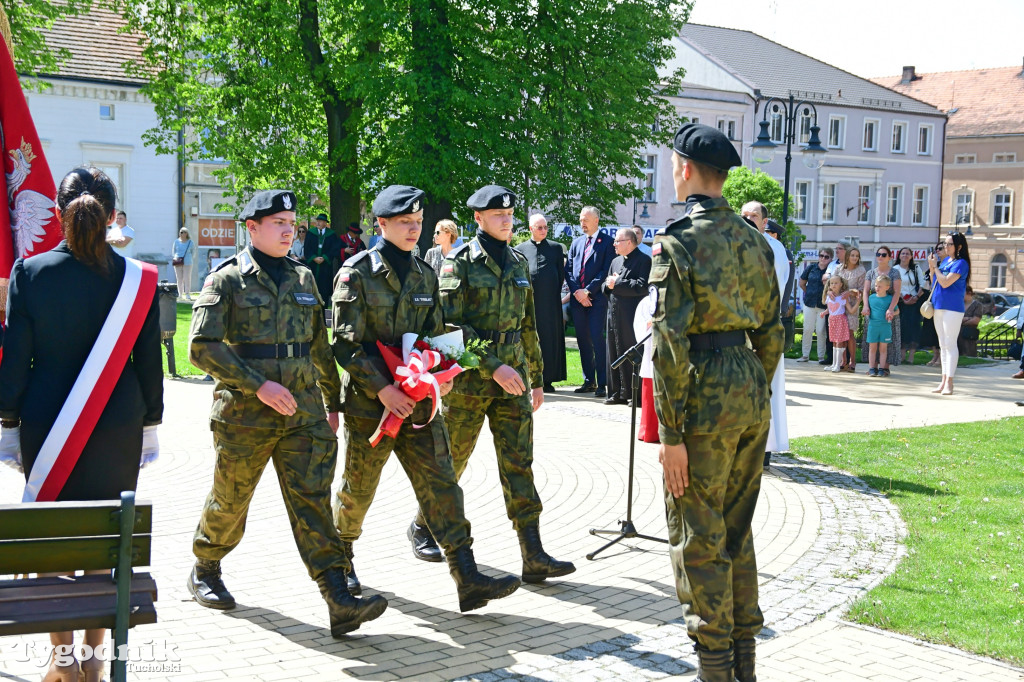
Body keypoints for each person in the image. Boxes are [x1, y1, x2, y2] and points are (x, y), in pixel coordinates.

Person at [187, 189, 387, 637]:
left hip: (303, 413)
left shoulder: (303, 279)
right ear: (252, 228)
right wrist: (258, 385)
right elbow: (201, 347)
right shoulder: (227, 279)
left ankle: (338, 597)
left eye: (291, 221)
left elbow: (319, 344)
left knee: (313, 503)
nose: (288, 229)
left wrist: (331, 401)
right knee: (231, 500)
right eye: (277, 221)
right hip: (244, 414)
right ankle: (206, 565)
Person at [0, 167, 163, 682]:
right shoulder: (139, 278)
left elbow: (15, 360)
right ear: (114, 217)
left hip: (48, 427)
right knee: (101, 543)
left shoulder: (30, 273)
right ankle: (95, 662)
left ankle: (64, 663)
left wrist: (7, 422)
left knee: (54, 541)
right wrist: (152, 424)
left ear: (57, 212)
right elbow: (148, 365)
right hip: (118, 429)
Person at [331, 185, 520, 612]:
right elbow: (345, 344)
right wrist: (384, 388)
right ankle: (340, 562)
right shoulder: (355, 273)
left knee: (443, 484)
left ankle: (466, 575)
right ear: (381, 224)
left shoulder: (424, 274)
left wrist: (444, 373)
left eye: (418, 223)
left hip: (420, 405)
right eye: (404, 223)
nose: (414, 230)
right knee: (357, 491)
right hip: (372, 406)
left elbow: (436, 335)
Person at [651, 123, 783, 682]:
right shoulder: (756, 241)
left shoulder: (679, 241)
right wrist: (753, 387)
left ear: (683, 169)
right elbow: (774, 332)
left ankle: (715, 669)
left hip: (701, 395)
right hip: (750, 387)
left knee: (696, 537)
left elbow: (668, 345)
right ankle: (744, 663)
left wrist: (671, 435)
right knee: (736, 530)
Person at [410, 184, 576, 585]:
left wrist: (535, 378)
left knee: (519, 463)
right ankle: (423, 525)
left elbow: (527, 326)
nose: (507, 220)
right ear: (478, 219)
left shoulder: (519, 262)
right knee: (452, 461)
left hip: (514, 379)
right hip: (469, 381)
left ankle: (532, 553)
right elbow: (447, 327)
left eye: (510, 214)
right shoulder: (458, 263)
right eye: (498, 215)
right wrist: (492, 365)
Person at [742, 205, 790, 466]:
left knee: (765, 389)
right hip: (741, 330)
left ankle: (764, 447)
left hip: (763, 329)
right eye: (745, 216)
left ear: (765, 221)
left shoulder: (773, 248)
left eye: (754, 216)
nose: (748, 220)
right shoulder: (737, 244)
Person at [514, 214, 568, 392]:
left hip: (550, 304)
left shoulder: (555, 248)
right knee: (527, 338)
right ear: (531, 229)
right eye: (539, 228)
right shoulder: (520, 249)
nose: (543, 231)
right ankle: (528, 376)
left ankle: (548, 378)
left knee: (549, 339)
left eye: (545, 227)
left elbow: (560, 275)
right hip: (529, 302)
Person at [565, 206, 614, 397]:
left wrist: (587, 291)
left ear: (596, 220)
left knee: (596, 339)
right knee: (582, 341)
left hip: (597, 300)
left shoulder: (607, 243)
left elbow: (605, 271)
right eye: (580, 219)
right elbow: (568, 269)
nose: (582, 223)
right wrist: (577, 292)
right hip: (578, 301)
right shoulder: (577, 243)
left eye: (585, 219)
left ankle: (602, 383)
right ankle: (589, 381)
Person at [601, 227, 651, 405]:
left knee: (631, 352)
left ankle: (634, 395)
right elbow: (606, 286)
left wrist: (618, 283)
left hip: (632, 315)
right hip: (614, 314)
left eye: (617, 241)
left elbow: (642, 286)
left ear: (628, 242)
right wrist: (608, 284)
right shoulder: (615, 261)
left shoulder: (644, 261)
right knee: (613, 351)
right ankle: (616, 392)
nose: (614, 244)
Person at [928, 232, 971, 395]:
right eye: (944, 244)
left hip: (953, 308)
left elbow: (945, 282)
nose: (945, 247)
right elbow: (934, 281)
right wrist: (932, 267)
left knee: (950, 343)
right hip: (939, 305)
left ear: (959, 246)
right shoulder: (946, 261)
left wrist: (936, 267)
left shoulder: (961, 264)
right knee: (943, 345)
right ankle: (943, 380)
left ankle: (950, 382)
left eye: (949, 244)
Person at [861, 246, 902, 371]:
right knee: (873, 342)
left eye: (884, 255)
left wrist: (890, 309)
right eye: (878, 254)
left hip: (888, 310)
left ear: (889, 257)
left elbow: (896, 292)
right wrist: (866, 306)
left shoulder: (895, 272)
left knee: (888, 341)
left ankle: (885, 368)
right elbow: (866, 291)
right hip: (874, 312)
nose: (880, 257)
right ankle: (872, 367)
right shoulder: (871, 273)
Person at [894, 247, 928, 364]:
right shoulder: (895, 269)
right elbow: (893, 286)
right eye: (903, 253)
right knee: (902, 327)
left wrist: (916, 297)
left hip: (914, 301)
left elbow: (922, 284)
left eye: (907, 254)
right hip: (901, 302)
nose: (905, 255)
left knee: (914, 328)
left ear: (911, 256)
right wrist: (903, 299)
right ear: (899, 256)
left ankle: (911, 355)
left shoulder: (916, 268)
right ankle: (902, 353)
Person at [633, 289, 658, 443]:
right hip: (651, 352)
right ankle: (649, 431)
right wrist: (649, 323)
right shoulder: (646, 302)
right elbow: (639, 327)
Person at [797, 247, 831, 362]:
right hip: (809, 303)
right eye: (821, 255)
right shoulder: (811, 268)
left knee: (821, 330)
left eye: (826, 257)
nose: (823, 258)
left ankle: (821, 356)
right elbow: (802, 283)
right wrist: (809, 292)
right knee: (807, 329)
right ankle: (805, 355)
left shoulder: (830, 271)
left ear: (830, 258)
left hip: (823, 305)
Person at [836, 247, 866, 372]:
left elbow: (862, 290)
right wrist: (831, 293)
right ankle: (843, 361)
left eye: (857, 256)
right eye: (852, 255)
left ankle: (852, 361)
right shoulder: (839, 269)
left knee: (850, 333)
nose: (855, 258)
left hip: (853, 303)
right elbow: (832, 283)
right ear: (847, 256)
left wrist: (850, 292)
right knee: (841, 333)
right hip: (840, 303)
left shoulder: (861, 270)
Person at [303, 213, 342, 301]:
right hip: (313, 264)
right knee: (311, 286)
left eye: (320, 221)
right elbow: (307, 247)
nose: (318, 223)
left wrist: (325, 257)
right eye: (318, 221)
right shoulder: (310, 233)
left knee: (323, 288)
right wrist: (313, 258)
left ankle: (323, 308)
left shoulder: (331, 235)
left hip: (325, 266)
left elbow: (334, 249)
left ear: (325, 223)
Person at [821, 276, 855, 373]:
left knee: (839, 342)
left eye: (836, 283)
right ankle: (834, 364)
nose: (834, 285)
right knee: (834, 342)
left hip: (840, 321)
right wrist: (824, 313)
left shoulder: (843, 298)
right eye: (831, 283)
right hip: (832, 321)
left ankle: (837, 365)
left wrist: (858, 302)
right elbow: (830, 309)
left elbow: (851, 310)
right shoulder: (829, 297)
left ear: (841, 284)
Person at [865, 275, 894, 377]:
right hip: (873, 326)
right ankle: (872, 368)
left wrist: (891, 313)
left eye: (880, 286)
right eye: (876, 285)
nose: (877, 288)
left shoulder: (890, 299)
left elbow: (897, 310)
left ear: (887, 287)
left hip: (885, 327)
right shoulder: (871, 298)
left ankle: (882, 369)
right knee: (872, 348)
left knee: (883, 349)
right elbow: (867, 309)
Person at [921, 241, 944, 366]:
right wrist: (931, 267)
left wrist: (934, 268)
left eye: (940, 248)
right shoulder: (933, 265)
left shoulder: (945, 266)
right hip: (932, 301)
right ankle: (935, 355)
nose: (938, 251)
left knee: (939, 331)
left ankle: (941, 356)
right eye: (936, 249)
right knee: (930, 330)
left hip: (942, 302)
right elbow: (927, 283)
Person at [172, 227, 197, 300]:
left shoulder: (190, 242)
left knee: (187, 278)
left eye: (183, 232)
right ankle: (180, 294)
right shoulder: (176, 242)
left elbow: (193, 252)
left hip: (187, 262)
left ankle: (187, 293)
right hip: (177, 262)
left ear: (186, 233)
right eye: (180, 232)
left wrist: (189, 258)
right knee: (179, 278)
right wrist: (176, 258)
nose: (181, 233)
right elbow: (173, 251)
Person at [958, 285, 983, 358]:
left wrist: (960, 321)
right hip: (957, 334)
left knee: (968, 353)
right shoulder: (959, 304)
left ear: (969, 293)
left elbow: (975, 321)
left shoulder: (977, 305)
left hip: (968, 335)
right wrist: (967, 318)